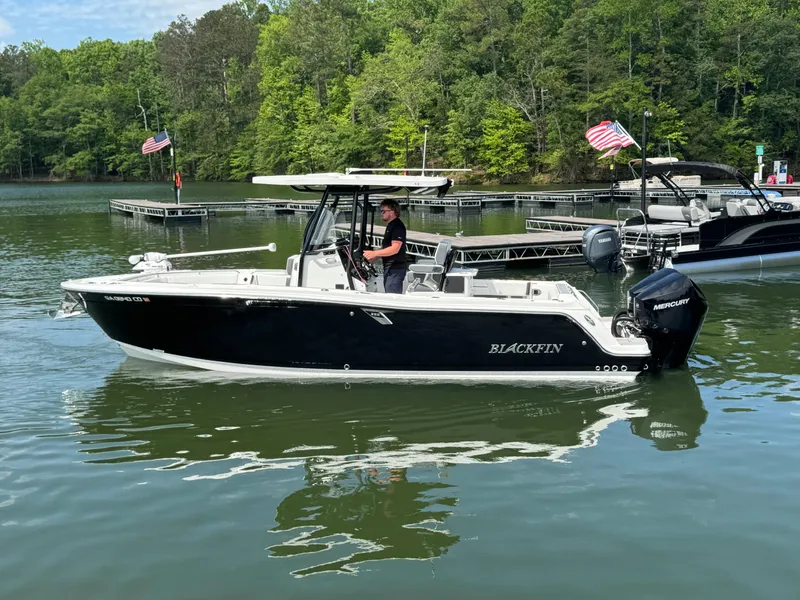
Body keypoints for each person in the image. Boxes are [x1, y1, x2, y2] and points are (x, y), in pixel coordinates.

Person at [363, 199, 408, 293]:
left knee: (392, 296)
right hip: (390, 268)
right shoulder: (391, 225)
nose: (381, 214)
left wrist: (375, 253)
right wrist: (375, 256)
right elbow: (387, 247)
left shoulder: (397, 227)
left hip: (395, 269)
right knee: (389, 293)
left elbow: (395, 248)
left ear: (392, 212)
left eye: (383, 211)